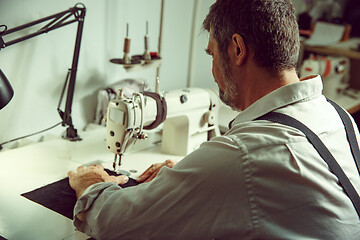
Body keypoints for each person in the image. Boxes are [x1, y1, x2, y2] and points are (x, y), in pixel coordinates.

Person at [68, 0, 360, 239]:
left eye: (211, 54)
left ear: (237, 49)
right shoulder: (338, 116)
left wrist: (91, 181)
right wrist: (198, 177)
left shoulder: (243, 155)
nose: (212, 68)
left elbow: (113, 222)